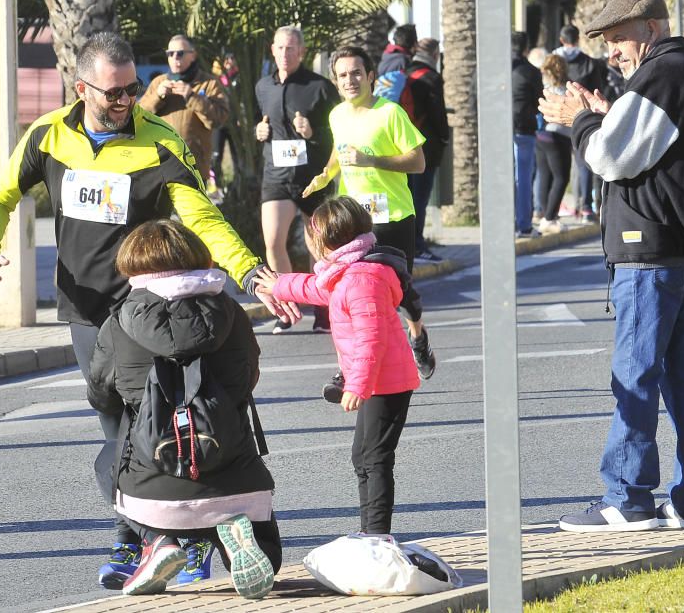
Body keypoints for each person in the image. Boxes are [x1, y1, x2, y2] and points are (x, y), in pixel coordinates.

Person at [0, 31, 292, 588]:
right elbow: (0, 193)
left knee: (171, 423)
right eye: (113, 93)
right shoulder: (48, 137)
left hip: (150, 313)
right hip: (87, 311)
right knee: (114, 429)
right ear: (82, 87)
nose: (124, 102)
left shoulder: (160, 143)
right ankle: (154, 538)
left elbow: (202, 218)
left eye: (132, 90)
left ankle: (166, 541)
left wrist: (248, 271)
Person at [540, 0, 684, 532]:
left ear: (651, 29)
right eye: (607, 43)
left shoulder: (663, 76)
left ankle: (626, 498)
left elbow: (610, 157)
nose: (613, 53)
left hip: (654, 253)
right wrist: (608, 114)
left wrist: (579, 120)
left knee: (637, 375)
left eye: (620, 39)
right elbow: (652, 145)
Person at [87, 219, 280, 598]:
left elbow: (100, 393)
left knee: (106, 460)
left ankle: (159, 541)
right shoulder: (230, 312)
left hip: (152, 480)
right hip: (235, 472)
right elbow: (248, 377)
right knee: (267, 558)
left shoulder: (119, 321)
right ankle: (234, 538)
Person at [256, 196, 420, 535]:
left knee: (374, 460)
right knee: (363, 457)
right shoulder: (349, 270)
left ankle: (376, 536)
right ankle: (370, 533)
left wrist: (357, 386)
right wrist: (280, 285)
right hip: (377, 380)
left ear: (324, 240)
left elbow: (371, 339)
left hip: (384, 382)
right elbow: (318, 288)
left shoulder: (361, 279)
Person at [302, 46, 437, 398]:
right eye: (343, 74)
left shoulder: (389, 113)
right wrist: (325, 174)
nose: (350, 79)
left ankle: (418, 337)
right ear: (335, 80)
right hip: (352, 222)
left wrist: (371, 160)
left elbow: (418, 162)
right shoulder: (337, 115)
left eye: (356, 73)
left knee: (401, 295)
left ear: (371, 76)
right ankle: (349, 369)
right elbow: (338, 150)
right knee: (349, 294)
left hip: (392, 216)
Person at [255, 26, 340, 334]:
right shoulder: (263, 86)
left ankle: (324, 310)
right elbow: (262, 124)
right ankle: (288, 309)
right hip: (276, 174)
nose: (284, 54)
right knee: (273, 241)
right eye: (279, 48)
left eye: (290, 48)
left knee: (317, 246)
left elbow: (335, 135)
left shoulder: (319, 87)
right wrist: (258, 133)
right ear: (272, 50)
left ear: (301, 52)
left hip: (312, 176)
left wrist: (311, 132)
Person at [138, 35, 228, 184]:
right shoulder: (159, 82)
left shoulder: (209, 83)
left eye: (180, 53)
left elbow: (219, 119)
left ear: (192, 55)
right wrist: (158, 96)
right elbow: (139, 117)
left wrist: (192, 97)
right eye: (170, 54)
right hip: (160, 165)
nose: (175, 57)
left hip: (194, 167)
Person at [553, 24, 605, 221]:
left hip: (556, 117)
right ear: (578, 39)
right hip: (583, 116)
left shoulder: (552, 61)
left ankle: (549, 208)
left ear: (561, 39)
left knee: (553, 168)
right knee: (583, 163)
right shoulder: (589, 63)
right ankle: (585, 207)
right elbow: (598, 88)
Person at [406, 38, 450, 262]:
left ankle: (406, 244)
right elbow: (438, 114)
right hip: (426, 146)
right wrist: (444, 137)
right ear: (434, 55)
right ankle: (418, 245)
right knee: (420, 198)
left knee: (407, 197)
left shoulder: (405, 73)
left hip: (402, 145)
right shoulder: (431, 78)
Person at [534, 53, 573, 235]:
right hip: (559, 135)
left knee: (545, 176)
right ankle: (550, 217)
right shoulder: (567, 89)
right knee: (561, 177)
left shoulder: (543, 87)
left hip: (541, 134)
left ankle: (545, 215)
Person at [512, 31, 544, 238]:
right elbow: (538, 101)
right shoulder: (530, 71)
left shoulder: (494, 68)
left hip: (497, 130)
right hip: (523, 128)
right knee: (523, 177)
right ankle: (523, 224)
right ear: (526, 49)